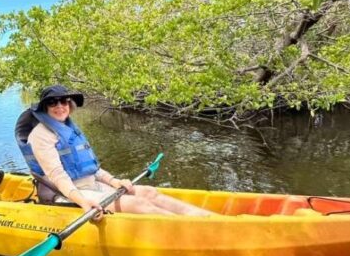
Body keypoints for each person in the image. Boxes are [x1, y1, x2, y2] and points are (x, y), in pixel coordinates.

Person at [15, 85, 214, 216]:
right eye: (52, 102)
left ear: (70, 104)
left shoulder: (70, 128)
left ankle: (208, 219)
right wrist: (83, 202)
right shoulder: (40, 135)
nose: (60, 106)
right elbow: (58, 176)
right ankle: (197, 231)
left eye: (64, 101)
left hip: (91, 186)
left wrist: (115, 181)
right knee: (139, 206)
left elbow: (93, 169)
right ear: (44, 107)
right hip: (68, 193)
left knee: (149, 192)